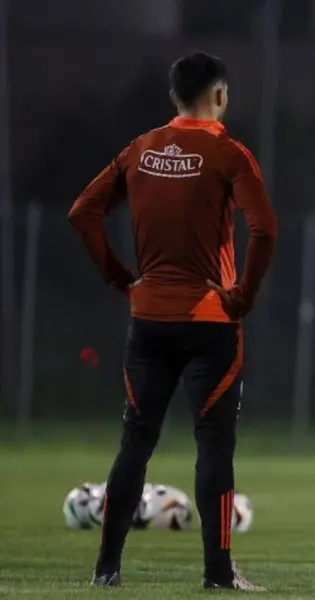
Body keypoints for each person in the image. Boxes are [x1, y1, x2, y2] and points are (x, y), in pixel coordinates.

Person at [68, 51, 277, 590]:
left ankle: (106, 570)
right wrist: (243, 296)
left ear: (173, 97)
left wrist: (121, 279)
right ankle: (218, 574)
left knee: (136, 443)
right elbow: (265, 230)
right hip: (211, 321)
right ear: (221, 95)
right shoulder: (229, 153)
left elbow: (83, 212)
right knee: (214, 447)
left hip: (150, 320)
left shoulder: (140, 149)